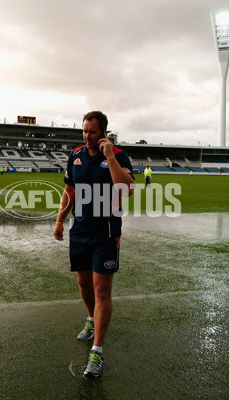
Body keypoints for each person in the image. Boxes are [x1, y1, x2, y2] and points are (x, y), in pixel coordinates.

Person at [53, 111, 135, 379]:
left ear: (104, 132)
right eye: (84, 131)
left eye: (92, 132)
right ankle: (91, 320)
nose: (87, 137)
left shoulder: (119, 156)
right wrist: (59, 220)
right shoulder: (75, 155)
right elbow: (70, 191)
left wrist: (110, 155)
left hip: (105, 233)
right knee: (83, 285)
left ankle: (97, 351)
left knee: (102, 292)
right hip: (80, 231)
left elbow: (127, 188)